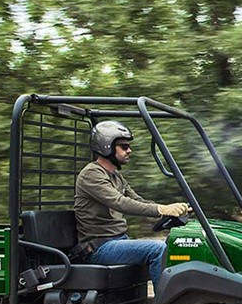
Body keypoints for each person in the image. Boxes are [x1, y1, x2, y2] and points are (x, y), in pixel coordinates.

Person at [73, 120, 189, 289]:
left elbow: (138, 201)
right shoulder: (91, 174)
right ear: (107, 146)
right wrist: (161, 209)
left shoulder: (115, 176)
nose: (129, 151)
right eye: (124, 147)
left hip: (118, 241)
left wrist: (172, 210)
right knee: (157, 250)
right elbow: (120, 203)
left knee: (175, 245)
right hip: (100, 247)